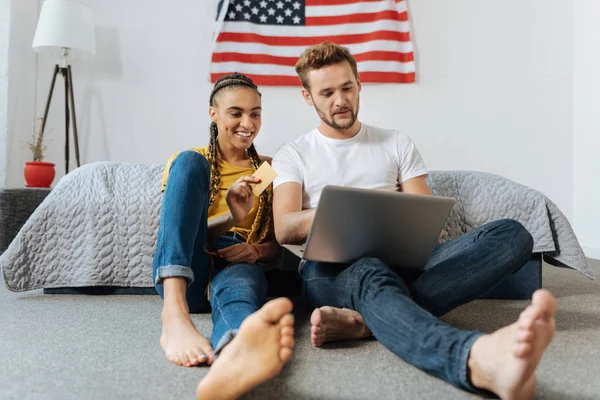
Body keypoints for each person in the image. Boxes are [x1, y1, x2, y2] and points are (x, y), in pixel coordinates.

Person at [271, 42, 556, 400]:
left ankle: (367, 323)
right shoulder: (293, 153)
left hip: (408, 259)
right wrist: (343, 212)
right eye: (326, 92)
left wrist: (398, 217)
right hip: (329, 270)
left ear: (359, 84)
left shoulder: (395, 142)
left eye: (346, 88)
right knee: (371, 269)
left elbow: (428, 217)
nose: (339, 100)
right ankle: (471, 357)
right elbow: (285, 226)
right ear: (308, 97)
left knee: (512, 233)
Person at [153, 73, 295, 399]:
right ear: (213, 114)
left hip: (238, 264)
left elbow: (278, 247)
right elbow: (176, 232)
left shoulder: (266, 171)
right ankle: (174, 317)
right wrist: (232, 215)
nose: (248, 122)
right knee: (190, 162)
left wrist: (256, 251)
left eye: (255, 113)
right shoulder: (190, 163)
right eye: (236, 112)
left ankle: (235, 351)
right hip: (188, 269)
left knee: (240, 288)